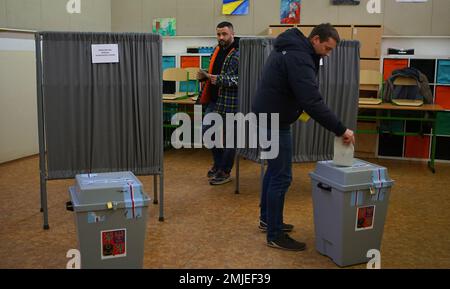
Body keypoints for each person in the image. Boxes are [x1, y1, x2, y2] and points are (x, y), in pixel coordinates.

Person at [252, 23, 355, 251]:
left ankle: (268, 220)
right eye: (327, 48)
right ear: (316, 39)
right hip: (274, 121)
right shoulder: (299, 56)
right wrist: (341, 129)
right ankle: (275, 235)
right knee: (282, 176)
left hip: (270, 116)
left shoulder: (293, 49)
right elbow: (311, 100)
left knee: (273, 170)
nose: (328, 54)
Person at [197, 22, 240, 186]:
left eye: (224, 34)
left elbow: (241, 79)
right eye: (219, 34)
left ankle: (225, 170)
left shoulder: (238, 53)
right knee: (207, 132)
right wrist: (204, 76)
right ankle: (219, 163)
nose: (221, 37)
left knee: (231, 140)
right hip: (214, 100)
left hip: (230, 103)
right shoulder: (216, 50)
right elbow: (212, 72)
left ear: (232, 34)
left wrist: (216, 78)